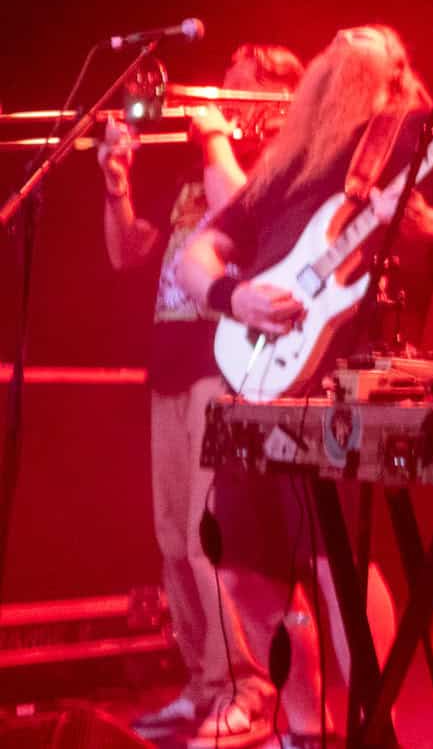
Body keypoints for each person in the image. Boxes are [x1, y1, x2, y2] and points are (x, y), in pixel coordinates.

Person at [174, 24, 433, 745]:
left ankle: (370, 723)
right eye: (340, 38)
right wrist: (234, 296)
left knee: (340, 561)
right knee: (244, 567)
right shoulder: (288, 162)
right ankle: (307, 727)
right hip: (263, 379)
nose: (350, 35)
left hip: (350, 380)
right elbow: (197, 252)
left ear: (397, 71)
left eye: (373, 37)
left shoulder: (417, 132)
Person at [100, 43, 304, 744]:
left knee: (206, 539)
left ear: (275, 101)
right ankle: (204, 684)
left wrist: (218, 137)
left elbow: (246, 217)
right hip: (170, 364)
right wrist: (117, 188)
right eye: (220, 90)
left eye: (235, 92)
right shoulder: (197, 172)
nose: (216, 103)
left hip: (225, 365)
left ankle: (250, 688)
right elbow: (127, 252)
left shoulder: (274, 166)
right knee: (170, 539)